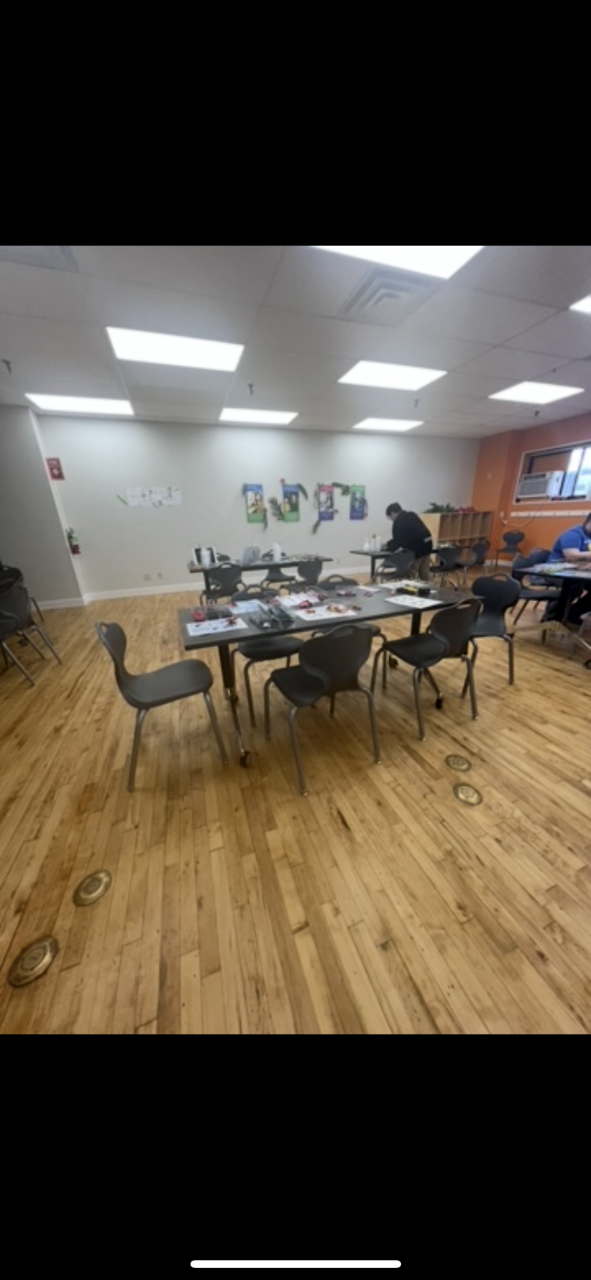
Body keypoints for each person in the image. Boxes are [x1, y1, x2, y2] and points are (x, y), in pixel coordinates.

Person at [545, 513, 591, 624]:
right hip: (556, 571)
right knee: (574, 586)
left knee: (577, 584)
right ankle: (554, 616)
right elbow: (571, 555)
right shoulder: (573, 534)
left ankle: (572, 613)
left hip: (578, 572)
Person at [385, 503, 434, 582]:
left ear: (392, 513)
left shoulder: (399, 521)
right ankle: (427, 588)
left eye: (390, 518)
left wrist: (387, 548)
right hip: (427, 545)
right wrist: (388, 543)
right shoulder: (412, 515)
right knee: (424, 573)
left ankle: (411, 589)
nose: (391, 520)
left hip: (416, 549)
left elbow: (398, 540)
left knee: (411, 573)